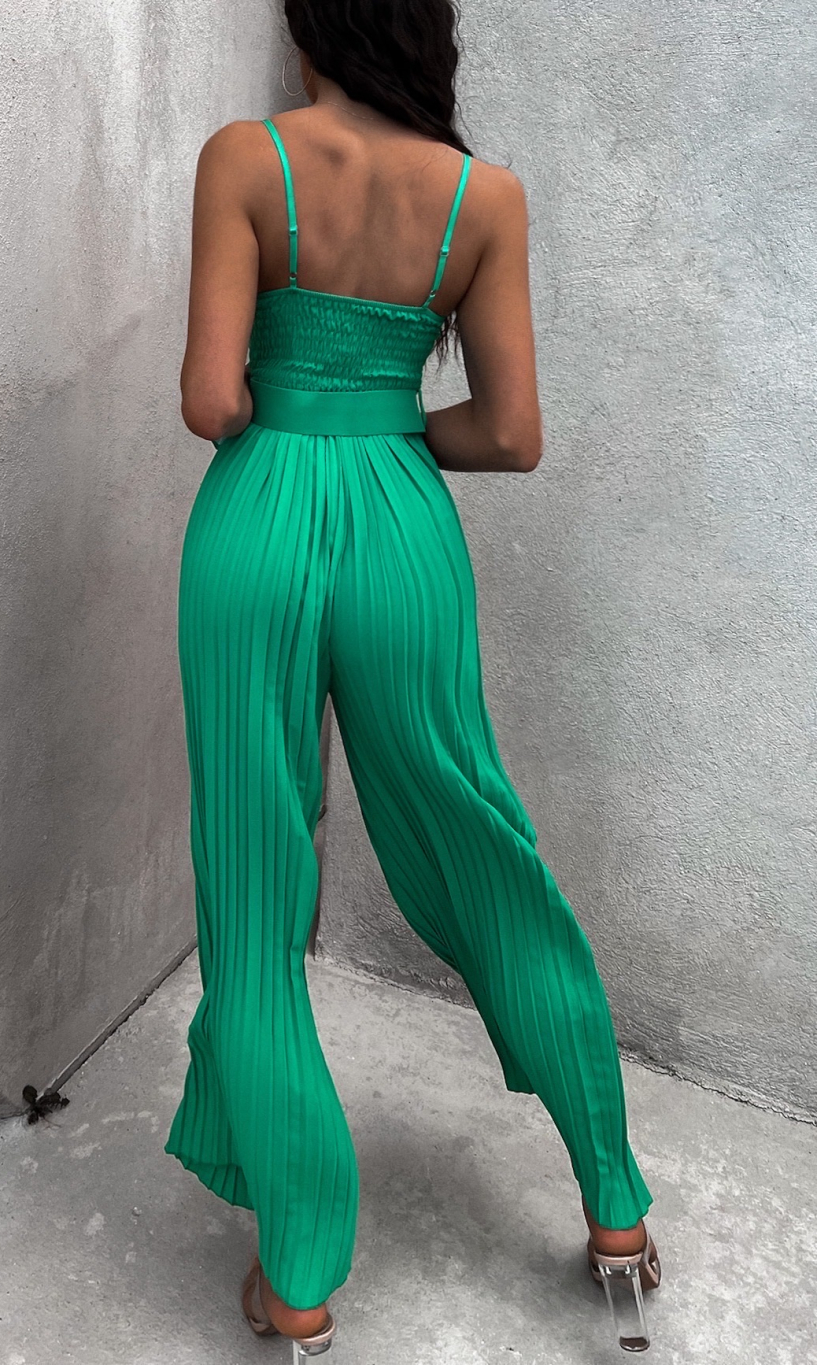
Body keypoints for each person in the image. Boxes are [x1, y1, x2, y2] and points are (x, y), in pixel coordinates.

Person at [166, 1, 662, 1355]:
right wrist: (384, 425)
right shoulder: (482, 198)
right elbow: (511, 432)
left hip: (257, 528)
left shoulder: (245, 159)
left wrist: (302, 411)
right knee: (480, 842)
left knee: (255, 883)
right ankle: (616, 1208)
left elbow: (211, 401)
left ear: (313, 30)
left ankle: (300, 1280)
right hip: (403, 530)